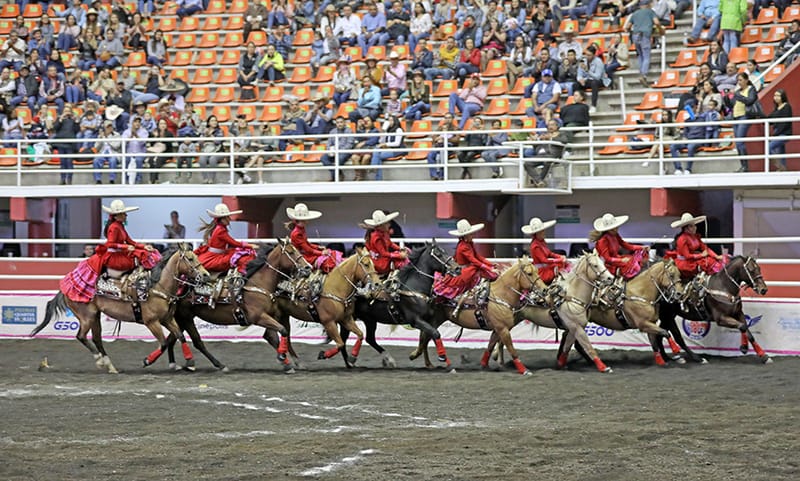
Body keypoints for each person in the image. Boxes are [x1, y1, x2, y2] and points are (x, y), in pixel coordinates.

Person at [432, 219, 498, 299]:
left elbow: (477, 256)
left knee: (482, 271)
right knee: (478, 270)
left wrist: (490, 264)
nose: (472, 236)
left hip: (469, 268)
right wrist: (489, 268)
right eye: (470, 234)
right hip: (463, 270)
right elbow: (473, 260)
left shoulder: (469, 243)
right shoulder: (463, 246)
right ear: (465, 236)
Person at [196, 203, 256, 274]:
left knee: (239, 255)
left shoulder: (219, 228)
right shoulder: (221, 230)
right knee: (242, 258)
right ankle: (242, 275)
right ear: (222, 219)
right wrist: (250, 245)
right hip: (215, 257)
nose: (229, 219)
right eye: (227, 217)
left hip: (214, 255)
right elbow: (234, 243)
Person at [286, 203, 343, 273]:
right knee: (328, 259)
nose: (306, 222)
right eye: (304, 220)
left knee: (331, 253)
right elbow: (307, 249)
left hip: (307, 253)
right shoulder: (297, 233)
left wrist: (318, 247)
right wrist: (321, 253)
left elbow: (307, 244)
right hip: (303, 256)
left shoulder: (300, 229)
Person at [668, 212, 727, 279]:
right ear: (686, 228)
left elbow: (705, 248)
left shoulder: (695, 236)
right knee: (708, 262)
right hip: (686, 263)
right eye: (691, 226)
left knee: (715, 259)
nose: (695, 228)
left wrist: (717, 256)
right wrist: (701, 255)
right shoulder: (682, 239)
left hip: (693, 259)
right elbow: (687, 256)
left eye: (694, 225)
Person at [589, 213, 648, 279]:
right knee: (632, 265)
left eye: (616, 228)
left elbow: (626, 245)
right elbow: (607, 259)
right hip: (607, 265)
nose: (615, 230)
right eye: (612, 229)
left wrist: (641, 247)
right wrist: (621, 260)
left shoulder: (615, 235)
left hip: (616, 259)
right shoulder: (602, 241)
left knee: (637, 260)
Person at [624, 0, 663, 88]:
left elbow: (627, 27)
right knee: (646, 56)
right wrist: (660, 30)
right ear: (647, 5)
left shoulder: (635, 13)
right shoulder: (650, 12)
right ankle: (643, 75)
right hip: (644, 35)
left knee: (640, 55)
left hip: (635, 35)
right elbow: (657, 22)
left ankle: (641, 72)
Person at [362, 209, 409, 276]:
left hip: (385, 259)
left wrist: (400, 248)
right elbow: (383, 253)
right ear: (381, 226)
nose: (389, 225)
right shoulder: (376, 238)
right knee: (401, 261)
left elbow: (390, 244)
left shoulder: (384, 233)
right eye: (387, 223)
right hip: (380, 263)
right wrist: (399, 255)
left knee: (406, 254)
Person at [522, 217, 566, 285]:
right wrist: (559, 260)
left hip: (546, 268)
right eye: (542, 231)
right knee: (561, 267)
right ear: (537, 233)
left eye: (543, 230)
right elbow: (544, 260)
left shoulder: (541, 242)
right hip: (542, 272)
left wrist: (559, 256)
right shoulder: (535, 246)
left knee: (564, 265)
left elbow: (549, 253)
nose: (544, 232)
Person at [730, 72, 757, 173]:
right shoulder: (738, 92)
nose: (739, 82)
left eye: (741, 80)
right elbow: (731, 105)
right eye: (738, 80)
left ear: (746, 80)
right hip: (736, 116)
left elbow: (750, 100)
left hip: (745, 116)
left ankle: (746, 166)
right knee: (738, 144)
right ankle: (743, 166)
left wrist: (738, 96)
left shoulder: (751, 89)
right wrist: (726, 97)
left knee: (740, 141)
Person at [767, 89, 792, 171]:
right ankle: (783, 169)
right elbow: (769, 119)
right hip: (778, 133)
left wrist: (776, 133)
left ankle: (780, 167)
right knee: (781, 152)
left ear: (783, 97)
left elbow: (785, 123)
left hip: (784, 133)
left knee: (768, 147)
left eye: (778, 96)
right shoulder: (776, 108)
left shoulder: (786, 106)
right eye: (775, 96)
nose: (776, 97)